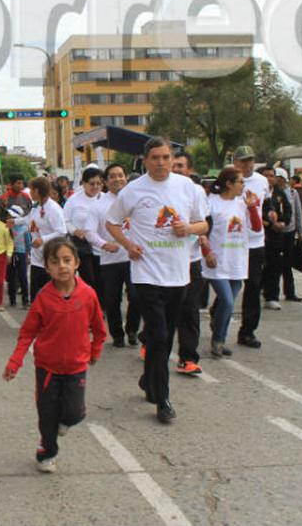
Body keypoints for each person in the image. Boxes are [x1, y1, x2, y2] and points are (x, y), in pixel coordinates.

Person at [106, 137, 208, 423]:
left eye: (166, 157)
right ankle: (163, 399)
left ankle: (149, 379)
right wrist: (128, 245)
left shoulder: (187, 187)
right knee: (160, 335)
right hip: (147, 274)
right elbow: (111, 223)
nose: (161, 163)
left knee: (162, 335)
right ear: (145, 160)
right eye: (155, 158)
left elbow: (204, 224)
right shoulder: (133, 190)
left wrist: (187, 228)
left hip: (178, 274)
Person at [3, 237, 106, 473]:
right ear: (47, 267)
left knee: (74, 413)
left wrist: (96, 349)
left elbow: (99, 328)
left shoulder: (88, 295)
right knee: (46, 414)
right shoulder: (43, 298)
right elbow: (27, 333)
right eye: (55, 261)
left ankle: (64, 422)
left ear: (77, 263)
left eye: (67, 260)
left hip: (76, 367)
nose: (62, 266)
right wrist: (15, 361)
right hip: (47, 368)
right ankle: (47, 451)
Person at [202, 167, 263, 358]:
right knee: (227, 302)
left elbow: (256, 227)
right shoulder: (211, 203)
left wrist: (252, 207)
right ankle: (218, 340)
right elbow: (202, 231)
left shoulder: (242, 203)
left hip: (237, 260)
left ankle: (219, 328)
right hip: (217, 260)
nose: (243, 186)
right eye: (240, 182)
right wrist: (207, 252)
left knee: (227, 303)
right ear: (229, 184)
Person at [170, 151, 211, 375]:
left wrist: (194, 233)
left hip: (191, 259)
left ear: (190, 169)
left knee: (190, 310)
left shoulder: (196, 191)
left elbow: (204, 223)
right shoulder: (159, 188)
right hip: (165, 261)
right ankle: (150, 340)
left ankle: (188, 358)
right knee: (165, 310)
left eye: (180, 166)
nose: (175, 169)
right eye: (173, 165)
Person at [95, 163, 141, 347]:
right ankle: (117, 334)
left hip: (134, 258)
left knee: (137, 297)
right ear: (106, 181)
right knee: (113, 300)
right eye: (112, 176)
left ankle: (132, 329)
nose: (117, 179)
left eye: (120, 175)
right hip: (110, 260)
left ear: (126, 177)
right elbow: (90, 231)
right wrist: (104, 244)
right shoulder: (99, 205)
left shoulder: (135, 200)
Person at [232, 145, 271, 348]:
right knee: (231, 284)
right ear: (235, 162)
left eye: (250, 160)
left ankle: (247, 331)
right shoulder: (228, 179)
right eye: (243, 160)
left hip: (255, 241)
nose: (247, 164)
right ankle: (218, 313)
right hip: (232, 241)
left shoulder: (262, 181)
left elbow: (268, 202)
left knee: (254, 286)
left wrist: (271, 214)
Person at [63, 167, 106, 309]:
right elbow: (65, 221)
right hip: (82, 246)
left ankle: (99, 307)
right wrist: (75, 231)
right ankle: (86, 306)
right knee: (89, 279)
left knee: (101, 280)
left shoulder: (105, 199)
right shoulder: (74, 200)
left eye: (99, 183)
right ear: (84, 184)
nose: (95, 187)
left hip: (101, 246)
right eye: (92, 183)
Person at [262, 168, 302, 309]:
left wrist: (283, 223)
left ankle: (272, 296)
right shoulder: (255, 192)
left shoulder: (280, 193)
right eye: (266, 176)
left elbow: (289, 211)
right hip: (261, 235)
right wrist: (268, 223)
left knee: (276, 265)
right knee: (260, 267)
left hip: (278, 235)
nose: (269, 178)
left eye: (272, 176)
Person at [28, 176, 67, 298]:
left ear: (38, 191)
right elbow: (29, 220)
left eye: (32, 190)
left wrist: (43, 239)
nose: (30, 193)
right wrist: (15, 221)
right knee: (36, 295)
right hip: (36, 257)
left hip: (50, 257)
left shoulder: (54, 208)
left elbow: (62, 231)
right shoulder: (36, 206)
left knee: (50, 295)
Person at [6, 205, 32, 308]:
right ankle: (12, 300)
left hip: (21, 254)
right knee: (10, 277)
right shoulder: (7, 227)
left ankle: (25, 300)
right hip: (10, 254)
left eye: (11, 215)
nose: (9, 217)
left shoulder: (25, 228)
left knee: (23, 277)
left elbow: (28, 243)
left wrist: (28, 254)